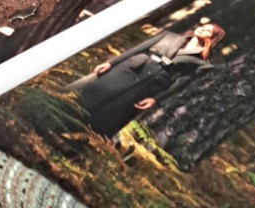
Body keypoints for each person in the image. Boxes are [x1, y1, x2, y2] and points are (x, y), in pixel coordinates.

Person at [67, 21, 225, 136]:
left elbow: (181, 83)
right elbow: (137, 49)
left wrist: (156, 100)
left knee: (113, 112)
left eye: (207, 31)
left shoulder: (200, 63)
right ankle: (62, 110)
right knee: (91, 91)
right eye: (203, 27)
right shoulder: (169, 36)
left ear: (212, 39)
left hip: (149, 87)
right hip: (128, 69)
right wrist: (110, 63)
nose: (202, 29)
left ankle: (77, 138)